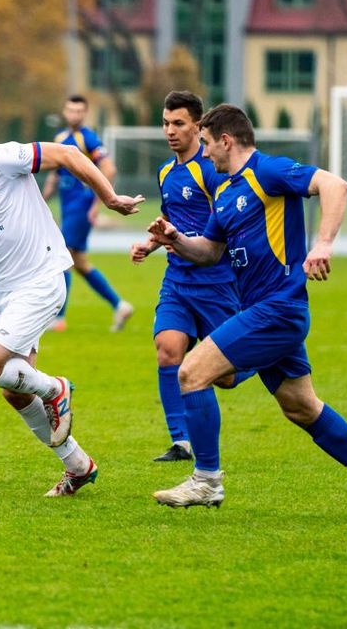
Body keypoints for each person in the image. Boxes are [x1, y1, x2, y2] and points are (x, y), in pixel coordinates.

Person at [147, 103, 347, 522]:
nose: (204, 153)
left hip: (278, 309)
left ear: (226, 140)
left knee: (191, 373)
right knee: (300, 406)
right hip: (261, 311)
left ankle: (207, 479)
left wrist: (323, 243)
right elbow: (209, 252)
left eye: (207, 144)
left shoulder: (268, 171)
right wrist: (174, 238)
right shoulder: (226, 193)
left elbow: (335, 185)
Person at [0, 100, 144, 496]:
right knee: (14, 390)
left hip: (41, 277)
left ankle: (56, 389)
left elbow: (68, 155)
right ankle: (78, 466)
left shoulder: (1, 158)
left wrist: (108, 198)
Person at [129, 92, 240, 463]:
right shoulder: (165, 172)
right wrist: (151, 243)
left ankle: (264, 355)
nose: (170, 131)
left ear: (197, 126)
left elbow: (223, 227)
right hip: (178, 281)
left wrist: (190, 243)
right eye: (165, 123)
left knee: (225, 376)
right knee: (167, 351)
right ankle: (182, 441)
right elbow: (171, 220)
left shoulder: (211, 170)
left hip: (215, 283)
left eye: (178, 123)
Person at [41, 94, 134, 333]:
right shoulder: (60, 138)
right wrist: (41, 200)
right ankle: (119, 305)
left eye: (79, 111)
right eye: (70, 110)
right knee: (80, 263)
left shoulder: (88, 139)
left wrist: (96, 205)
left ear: (85, 114)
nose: (74, 115)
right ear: (64, 112)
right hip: (68, 206)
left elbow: (109, 169)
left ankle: (59, 318)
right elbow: (54, 174)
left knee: (62, 258)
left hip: (81, 207)